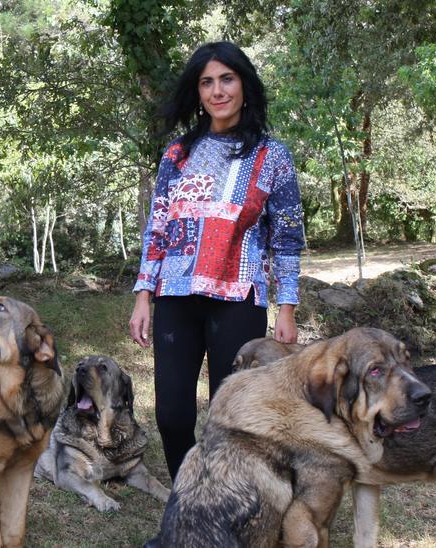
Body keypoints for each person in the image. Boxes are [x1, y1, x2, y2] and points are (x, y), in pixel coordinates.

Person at [128, 41, 306, 480]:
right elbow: (158, 228)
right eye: (207, 82)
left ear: (244, 85)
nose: (217, 90)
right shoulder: (177, 155)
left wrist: (287, 307)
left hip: (238, 299)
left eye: (227, 79)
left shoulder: (273, 157)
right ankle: (188, 508)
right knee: (171, 416)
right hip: (176, 295)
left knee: (232, 418)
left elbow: (286, 239)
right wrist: (143, 294)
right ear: (198, 91)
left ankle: (230, 514)